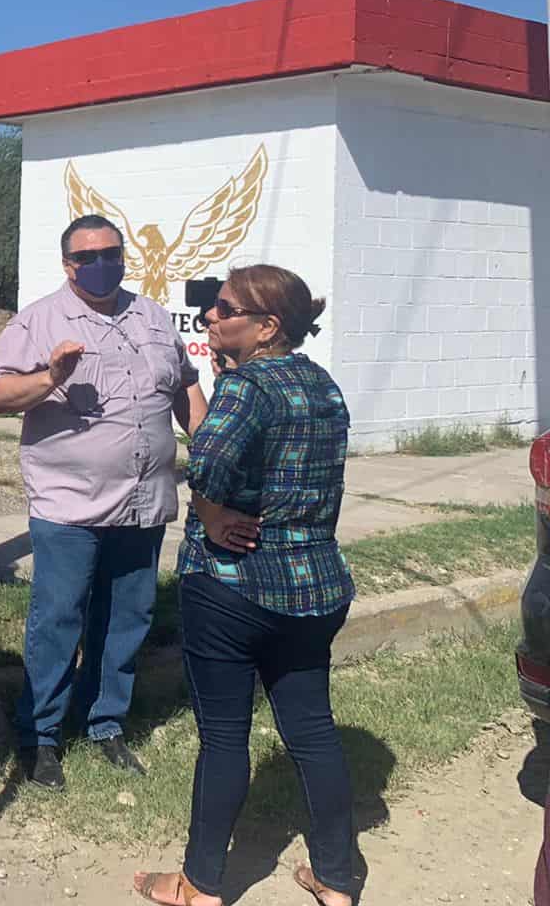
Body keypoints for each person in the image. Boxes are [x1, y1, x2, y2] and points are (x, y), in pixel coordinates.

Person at [134, 266, 353, 906]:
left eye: (224, 309)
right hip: (314, 588)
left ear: (266, 327)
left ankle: (199, 885)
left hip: (234, 586)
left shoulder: (244, 387)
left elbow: (206, 461)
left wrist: (206, 511)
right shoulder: (324, 385)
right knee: (312, 730)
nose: (210, 316)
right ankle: (338, 880)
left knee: (224, 736)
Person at [0, 213, 207, 791]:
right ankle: (41, 737)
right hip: (69, 504)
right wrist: (51, 376)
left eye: (111, 252)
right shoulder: (40, 319)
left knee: (127, 616)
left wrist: (206, 445)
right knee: (59, 618)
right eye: (88, 257)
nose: (102, 264)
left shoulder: (152, 317)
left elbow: (183, 383)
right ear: (68, 265)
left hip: (143, 499)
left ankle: (106, 723)